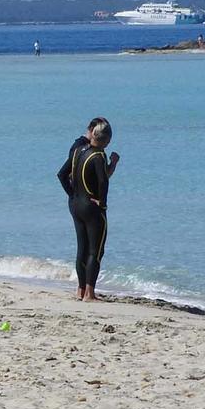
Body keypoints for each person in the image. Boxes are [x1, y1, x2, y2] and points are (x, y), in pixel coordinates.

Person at [58, 120, 114, 301]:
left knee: (82, 248)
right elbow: (103, 182)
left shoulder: (78, 151)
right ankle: (90, 293)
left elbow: (61, 174)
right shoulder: (98, 156)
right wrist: (102, 203)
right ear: (107, 140)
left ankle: (81, 289)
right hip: (91, 208)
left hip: (76, 205)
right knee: (95, 250)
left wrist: (72, 194)